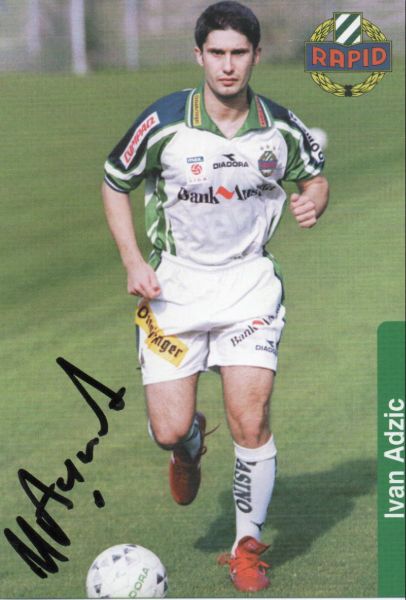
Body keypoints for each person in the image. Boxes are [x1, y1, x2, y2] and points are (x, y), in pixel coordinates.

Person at [102, 0, 329, 592]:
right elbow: (114, 180)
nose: (228, 66)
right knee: (169, 428)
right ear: (198, 55)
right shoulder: (165, 122)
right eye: (217, 53)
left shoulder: (280, 127)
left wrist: (313, 201)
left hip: (248, 287)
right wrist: (132, 261)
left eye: (239, 53)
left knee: (251, 419)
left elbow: (314, 175)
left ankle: (247, 549)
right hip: (173, 290)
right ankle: (188, 445)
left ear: (256, 56)